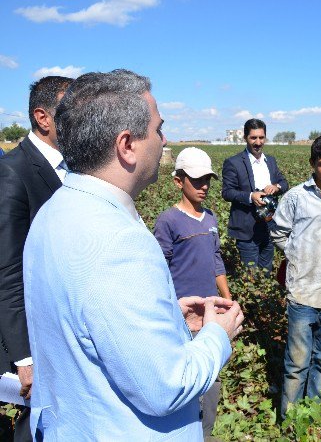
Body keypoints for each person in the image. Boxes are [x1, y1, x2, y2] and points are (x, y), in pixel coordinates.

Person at [23, 69, 244, 440]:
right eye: (158, 129)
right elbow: (166, 387)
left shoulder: (53, 212)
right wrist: (216, 336)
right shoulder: (118, 242)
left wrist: (171, 319)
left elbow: (84, 323)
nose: (164, 139)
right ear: (127, 145)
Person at [0, 75, 73, 442]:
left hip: (64, 326)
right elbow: (8, 272)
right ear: (43, 118)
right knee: (36, 425)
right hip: (35, 336)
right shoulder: (13, 173)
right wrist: (24, 358)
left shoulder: (72, 168)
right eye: (71, 110)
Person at [269, 135, 321, 418]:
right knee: (296, 363)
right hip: (303, 292)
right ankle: (290, 419)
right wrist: (296, 255)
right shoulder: (296, 197)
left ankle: (313, 416)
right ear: (312, 165)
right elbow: (278, 232)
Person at [153, 147, 232, 436]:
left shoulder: (210, 218)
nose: (204, 186)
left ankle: (205, 433)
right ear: (178, 181)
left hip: (210, 315)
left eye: (207, 180)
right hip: (182, 317)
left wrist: (228, 299)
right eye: (196, 180)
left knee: (211, 381)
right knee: (184, 379)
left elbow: (216, 260)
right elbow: (158, 269)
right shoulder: (168, 221)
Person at [222, 119, 288, 271]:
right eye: (253, 138)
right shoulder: (234, 162)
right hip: (247, 230)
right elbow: (227, 192)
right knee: (251, 275)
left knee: (266, 271)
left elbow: (284, 183)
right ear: (245, 138)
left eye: (261, 137)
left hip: (269, 226)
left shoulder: (270, 161)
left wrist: (276, 187)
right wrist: (251, 196)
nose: (258, 142)